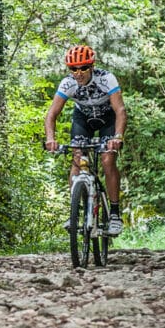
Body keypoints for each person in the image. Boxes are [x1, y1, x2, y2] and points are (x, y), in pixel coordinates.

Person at [43, 44, 127, 234]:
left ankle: (114, 213)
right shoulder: (67, 83)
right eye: (73, 69)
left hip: (108, 119)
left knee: (107, 159)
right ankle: (75, 210)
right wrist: (50, 139)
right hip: (83, 120)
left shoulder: (106, 79)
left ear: (92, 66)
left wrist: (118, 137)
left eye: (83, 68)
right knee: (77, 157)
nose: (78, 73)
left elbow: (120, 111)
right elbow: (51, 115)